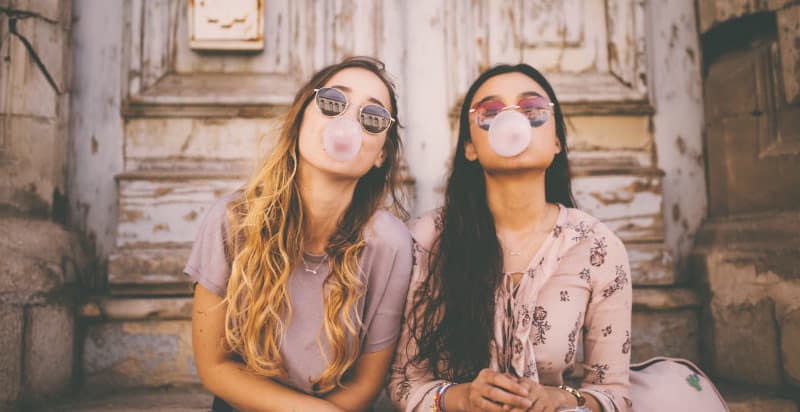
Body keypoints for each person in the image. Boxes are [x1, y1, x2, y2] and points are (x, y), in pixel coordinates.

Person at [388, 63, 633, 412]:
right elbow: (402, 381)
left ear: (557, 141)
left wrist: (557, 398)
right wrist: (462, 398)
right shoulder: (427, 240)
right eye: (490, 112)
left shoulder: (597, 246)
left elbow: (614, 393)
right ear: (470, 146)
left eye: (532, 110)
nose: (512, 122)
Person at [185, 56, 414, 412]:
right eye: (332, 103)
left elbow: (367, 384)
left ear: (381, 154)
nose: (348, 122)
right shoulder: (233, 220)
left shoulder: (391, 244)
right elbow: (214, 368)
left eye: (372, 118)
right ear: (300, 120)